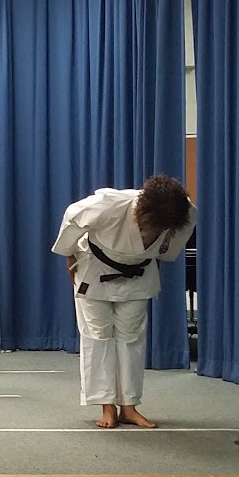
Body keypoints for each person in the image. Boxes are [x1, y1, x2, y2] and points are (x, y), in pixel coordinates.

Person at [52, 175, 196, 429]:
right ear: (142, 209)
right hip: (94, 270)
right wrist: (68, 256)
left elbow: (168, 250)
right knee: (98, 336)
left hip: (138, 276)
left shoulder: (183, 213)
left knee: (132, 337)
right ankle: (106, 405)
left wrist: (152, 262)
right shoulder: (109, 204)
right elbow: (72, 218)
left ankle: (129, 406)